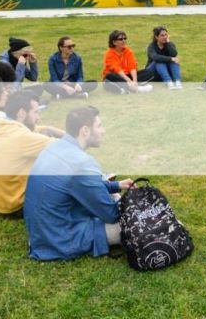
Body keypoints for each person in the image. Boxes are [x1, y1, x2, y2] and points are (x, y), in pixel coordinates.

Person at [24, 106, 134, 260]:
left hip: (41, 234)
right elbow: (111, 215)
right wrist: (129, 201)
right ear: (85, 131)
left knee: (111, 196)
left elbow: (74, 186)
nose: (103, 131)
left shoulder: (54, 147)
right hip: (63, 239)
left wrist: (116, 186)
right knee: (136, 222)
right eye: (99, 126)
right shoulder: (81, 163)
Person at [0, 90, 63, 216]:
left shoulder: (1, 126)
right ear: (21, 113)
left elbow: (39, 129)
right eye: (36, 112)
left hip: (0, 201)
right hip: (16, 205)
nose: (39, 117)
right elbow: (66, 147)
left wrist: (50, 129)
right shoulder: (22, 137)